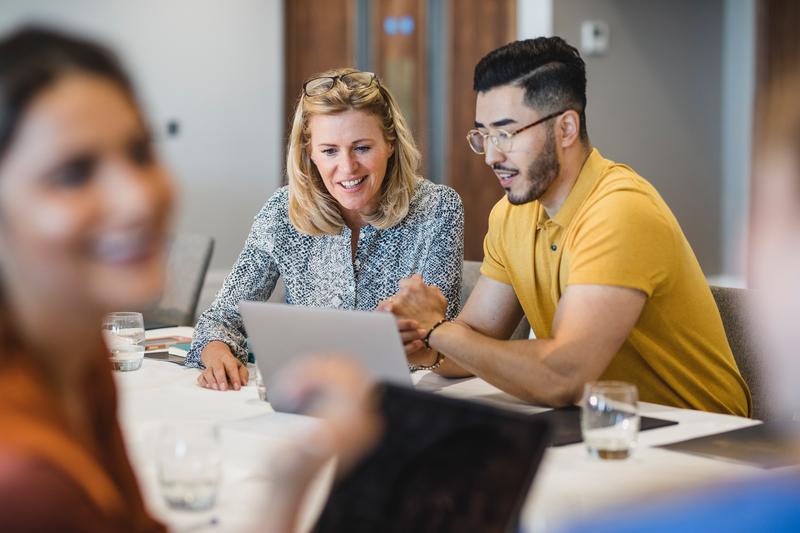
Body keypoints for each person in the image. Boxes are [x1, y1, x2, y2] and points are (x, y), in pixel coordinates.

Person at [0, 26, 380, 532]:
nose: (137, 197)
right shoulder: (26, 477)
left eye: (139, 152)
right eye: (73, 173)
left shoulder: (82, 365)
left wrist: (293, 477)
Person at [382, 37, 750, 416]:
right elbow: (474, 343)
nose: (491, 156)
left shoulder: (619, 210)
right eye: (484, 135)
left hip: (704, 439)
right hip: (606, 424)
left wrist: (439, 331)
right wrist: (419, 339)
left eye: (506, 134)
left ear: (566, 129)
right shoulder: (511, 215)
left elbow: (563, 376)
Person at [188, 67, 464, 391]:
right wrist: (216, 352)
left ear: (390, 143)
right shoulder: (283, 211)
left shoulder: (438, 208)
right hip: (307, 398)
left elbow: (441, 338)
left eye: (362, 147)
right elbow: (220, 319)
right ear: (310, 153)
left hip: (407, 400)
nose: (347, 168)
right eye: (329, 150)